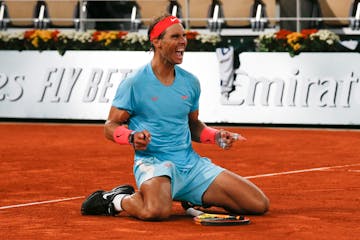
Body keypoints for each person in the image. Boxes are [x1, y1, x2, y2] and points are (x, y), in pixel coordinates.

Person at [81, 14, 269, 220]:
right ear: (157, 42)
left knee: (258, 204)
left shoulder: (190, 83)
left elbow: (193, 124)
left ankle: (194, 197)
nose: (182, 42)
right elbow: (110, 125)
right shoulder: (135, 83)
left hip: (191, 165)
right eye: (175, 37)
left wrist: (215, 136)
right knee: (157, 211)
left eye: (184, 36)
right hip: (155, 163)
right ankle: (116, 200)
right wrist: (131, 137)